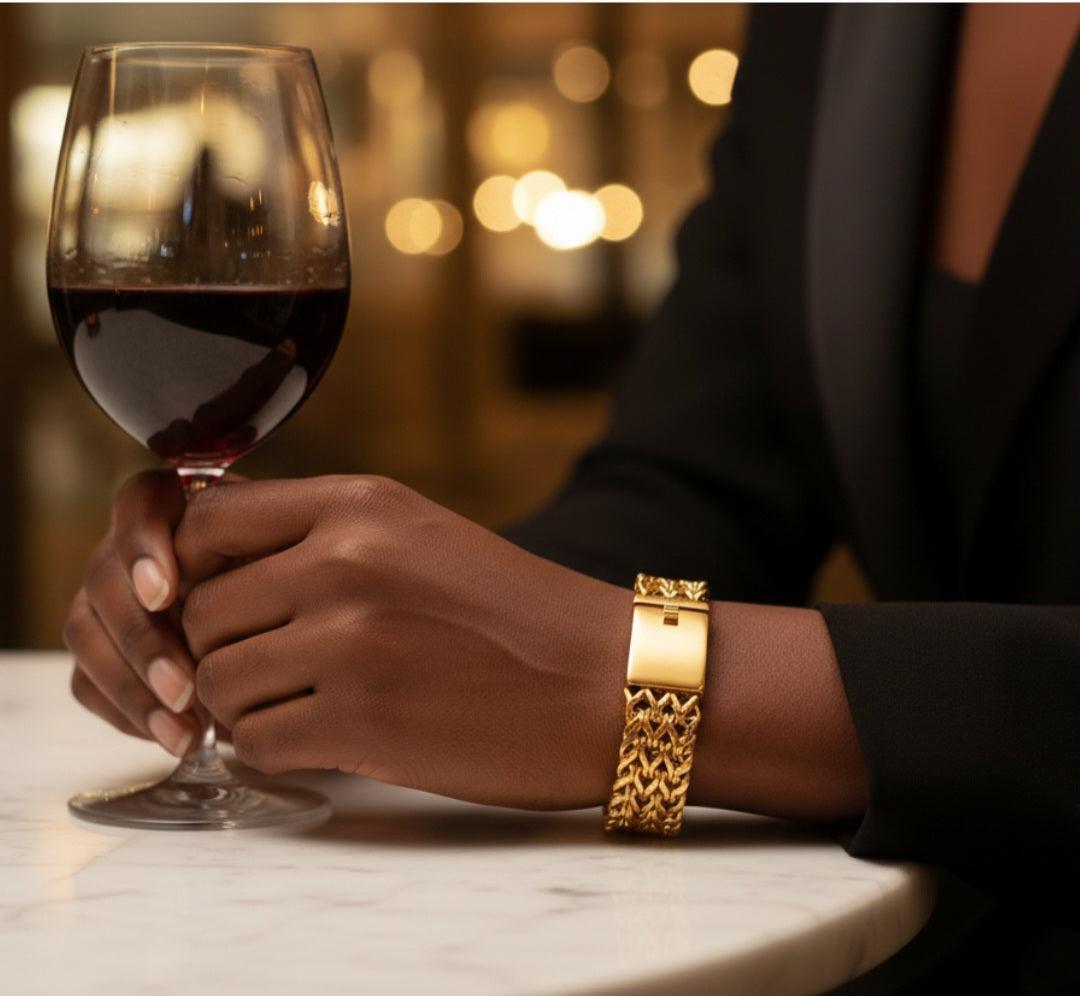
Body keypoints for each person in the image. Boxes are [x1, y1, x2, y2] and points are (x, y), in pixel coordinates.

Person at [62, 4, 1080, 990]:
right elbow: (693, 485)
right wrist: (342, 624)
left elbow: (610, 660)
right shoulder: (833, 17)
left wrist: (642, 684)